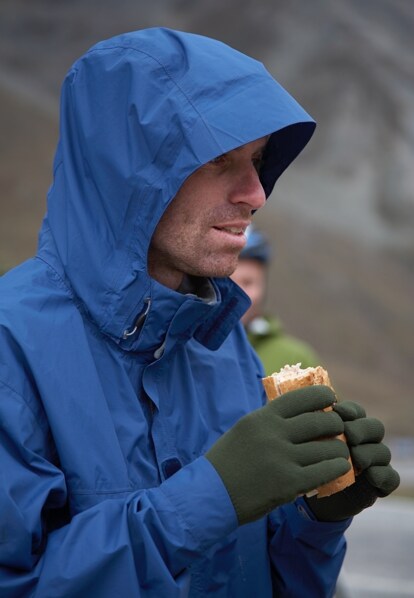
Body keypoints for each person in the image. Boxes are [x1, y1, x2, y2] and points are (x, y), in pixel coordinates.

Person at [0, 28, 399, 597]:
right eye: (219, 159)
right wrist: (211, 497)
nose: (256, 193)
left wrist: (317, 520)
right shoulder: (12, 346)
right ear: (129, 170)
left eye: (258, 160)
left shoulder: (219, 343)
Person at [231, 224, 320, 374]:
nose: (237, 292)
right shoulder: (188, 348)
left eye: (248, 282)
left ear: (263, 287)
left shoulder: (295, 358)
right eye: (228, 281)